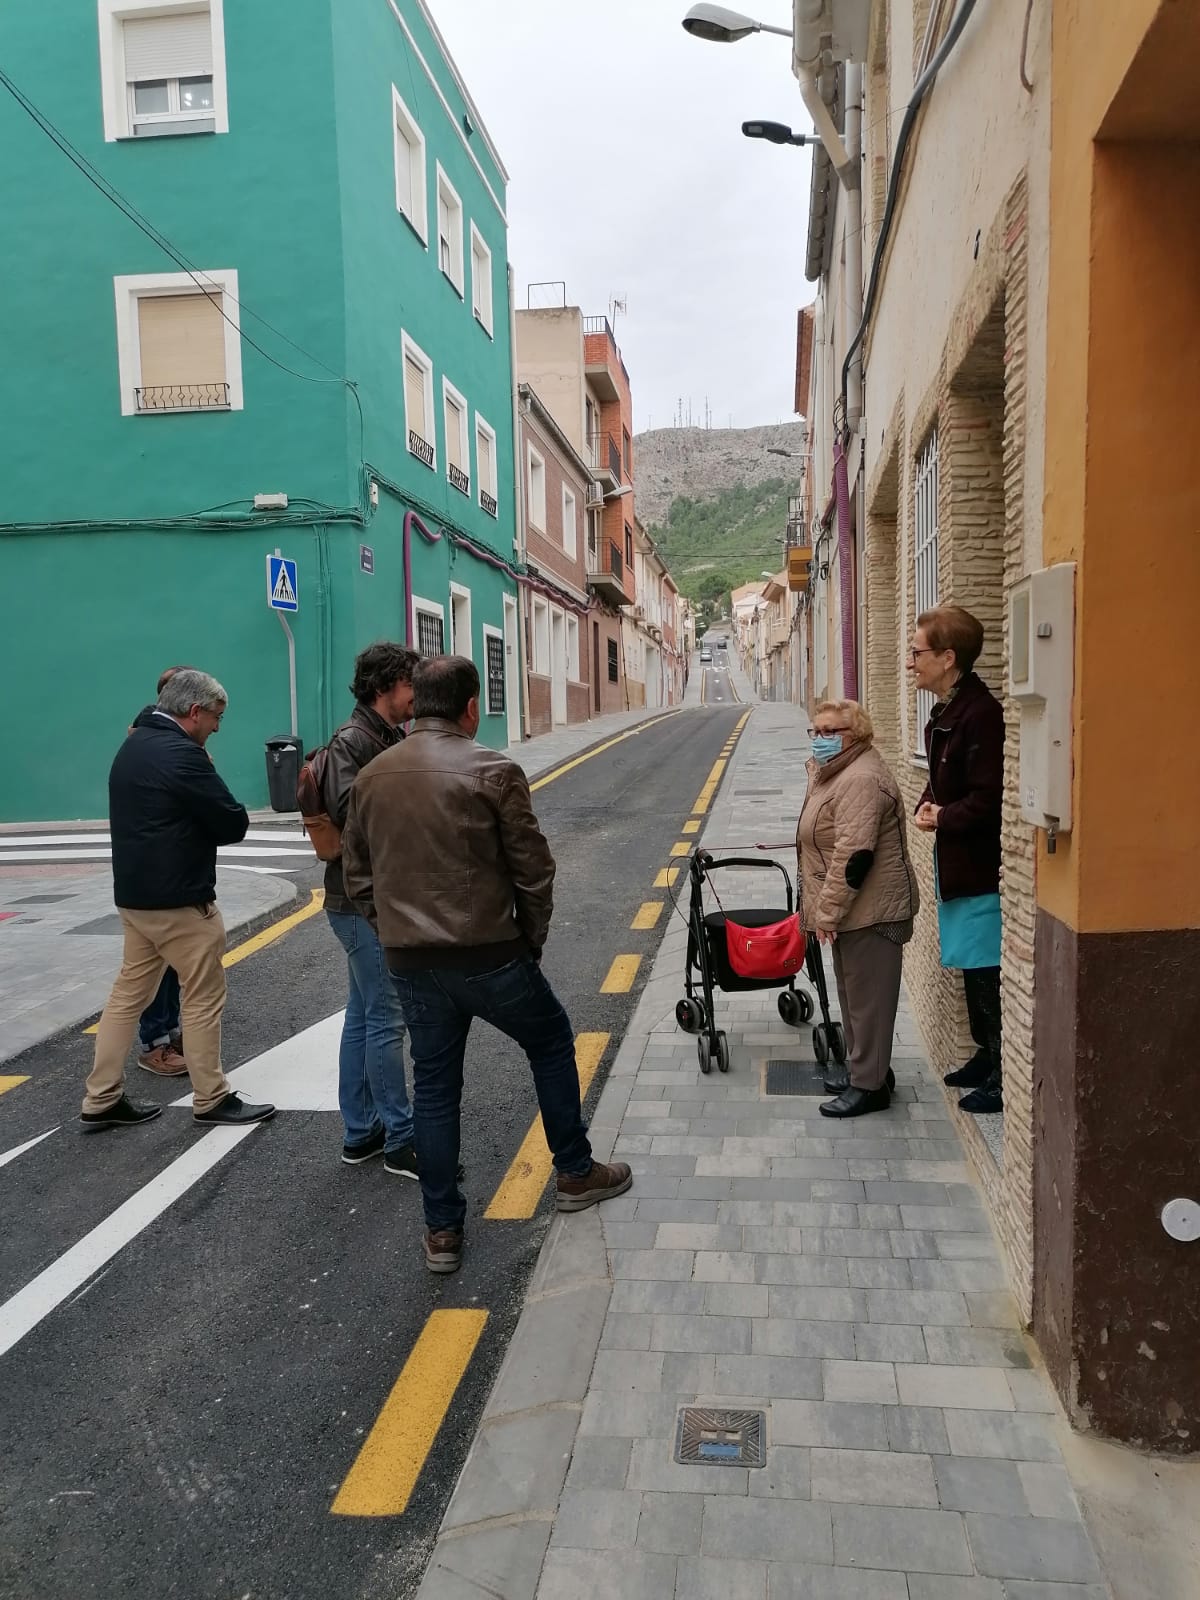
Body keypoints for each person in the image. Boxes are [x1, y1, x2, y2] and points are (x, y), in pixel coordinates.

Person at [342, 654, 631, 1274]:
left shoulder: (373, 776)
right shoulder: (493, 769)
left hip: (412, 963)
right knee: (552, 1043)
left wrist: (392, 934)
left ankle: (442, 1231)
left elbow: (357, 876)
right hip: (493, 956)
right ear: (471, 707)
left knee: (437, 1090)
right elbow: (534, 869)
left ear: (417, 704)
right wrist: (530, 942)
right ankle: (575, 1174)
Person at [81, 669, 275, 1130]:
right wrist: (205, 768)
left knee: (127, 997)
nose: (218, 727)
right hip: (181, 902)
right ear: (194, 712)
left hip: (135, 899)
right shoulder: (184, 756)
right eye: (216, 717)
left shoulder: (133, 745)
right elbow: (233, 822)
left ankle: (101, 1096)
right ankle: (211, 1097)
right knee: (204, 997)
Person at [321, 642, 420, 1175]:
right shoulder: (352, 742)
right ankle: (401, 1139)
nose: (415, 696)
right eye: (409, 685)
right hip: (358, 901)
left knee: (362, 1016)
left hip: (365, 897)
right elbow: (351, 815)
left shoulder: (382, 736)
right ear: (385, 687)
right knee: (386, 1018)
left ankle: (360, 1132)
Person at [796, 699, 920, 1119]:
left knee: (869, 1001)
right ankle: (867, 1070)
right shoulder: (835, 772)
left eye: (830, 732)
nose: (820, 739)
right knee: (854, 997)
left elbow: (854, 856)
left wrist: (826, 914)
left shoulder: (860, 779)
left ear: (857, 736)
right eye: (815, 731)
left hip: (871, 910)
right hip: (853, 908)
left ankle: (870, 1088)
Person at [909, 605, 1005, 1115]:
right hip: (957, 863)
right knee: (970, 962)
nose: (910, 662)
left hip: (979, 866)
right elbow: (943, 776)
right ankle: (985, 1055)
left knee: (985, 964)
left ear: (948, 657)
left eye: (917, 652)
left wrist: (941, 817)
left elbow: (989, 798)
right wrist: (930, 801)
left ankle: (1001, 1070)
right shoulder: (947, 710)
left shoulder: (981, 714)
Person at [128, 665, 193, 1079]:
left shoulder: (163, 740)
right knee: (150, 971)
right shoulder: (152, 742)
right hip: (157, 878)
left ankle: (168, 1033)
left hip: (173, 873)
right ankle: (154, 1043)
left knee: (171, 967)